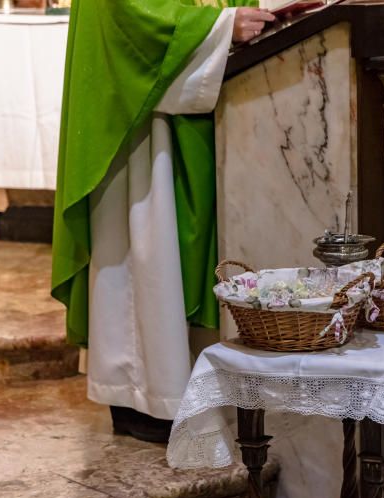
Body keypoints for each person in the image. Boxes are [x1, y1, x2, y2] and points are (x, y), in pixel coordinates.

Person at [51, 1, 276, 442]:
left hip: (202, 115)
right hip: (139, 131)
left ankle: (194, 384)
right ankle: (143, 394)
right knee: (143, 249)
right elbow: (121, 12)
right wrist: (220, 25)